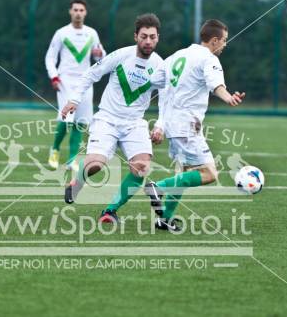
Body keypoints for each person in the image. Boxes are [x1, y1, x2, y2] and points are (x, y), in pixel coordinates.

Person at [61, 13, 165, 223]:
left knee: (142, 168)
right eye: (143, 36)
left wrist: (161, 125)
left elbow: (168, 98)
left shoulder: (160, 65)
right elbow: (91, 74)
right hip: (107, 119)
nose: (148, 41)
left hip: (135, 123)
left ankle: (110, 211)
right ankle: (77, 182)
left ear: (157, 38)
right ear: (135, 36)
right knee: (95, 166)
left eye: (152, 37)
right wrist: (74, 99)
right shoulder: (121, 55)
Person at [146, 19, 245, 231]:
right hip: (187, 125)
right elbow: (216, 84)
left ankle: (164, 218)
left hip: (173, 124)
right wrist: (228, 98)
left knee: (185, 171)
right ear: (215, 40)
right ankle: (158, 187)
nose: (225, 45)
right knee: (210, 174)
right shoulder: (209, 59)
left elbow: (155, 81)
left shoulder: (177, 55)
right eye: (224, 41)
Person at [45, 0, 106, 172]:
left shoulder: (92, 33)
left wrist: (99, 53)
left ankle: (72, 160)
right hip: (66, 82)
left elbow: (101, 57)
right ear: (70, 12)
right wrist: (54, 77)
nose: (78, 13)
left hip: (85, 82)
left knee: (81, 121)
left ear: (85, 13)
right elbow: (50, 57)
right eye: (75, 10)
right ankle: (55, 149)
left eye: (81, 10)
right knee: (66, 119)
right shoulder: (61, 33)